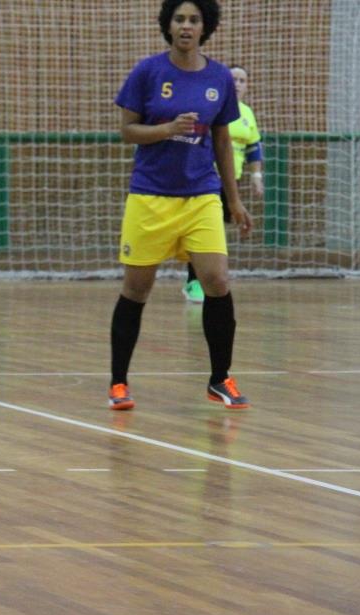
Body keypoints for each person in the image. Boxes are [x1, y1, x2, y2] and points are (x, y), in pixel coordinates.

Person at [108, 0, 253, 411]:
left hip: (202, 196)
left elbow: (222, 141)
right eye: (179, 19)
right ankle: (119, 382)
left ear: (206, 27)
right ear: (168, 25)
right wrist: (167, 129)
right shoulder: (148, 72)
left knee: (217, 283)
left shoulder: (219, 77)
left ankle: (219, 379)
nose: (186, 26)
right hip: (150, 196)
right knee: (137, 290)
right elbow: (128, 131)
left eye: (194, 20)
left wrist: (234, 200)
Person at [183, 63, 264, 303]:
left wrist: (256, 177)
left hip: (231, 181)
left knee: (216, 231)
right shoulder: (210, 108)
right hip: (205, 179)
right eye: (233, 79)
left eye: (242, 80)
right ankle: (194, 282)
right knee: (204, 231)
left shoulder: (247, 114)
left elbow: (253, 148)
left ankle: (210, 278)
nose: (238, 84)